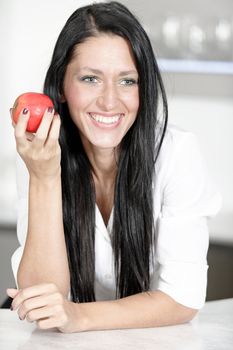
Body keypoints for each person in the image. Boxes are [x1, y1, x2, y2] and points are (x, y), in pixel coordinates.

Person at [7, 1, 222, 333]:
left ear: (144, 87)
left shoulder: (176, 154)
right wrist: (44, 176)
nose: (109, 101)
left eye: (127, 81)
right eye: (91, 79)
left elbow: (182, 298)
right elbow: (42, 299)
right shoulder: (41, 152)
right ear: (61, 88)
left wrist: (78, 316)